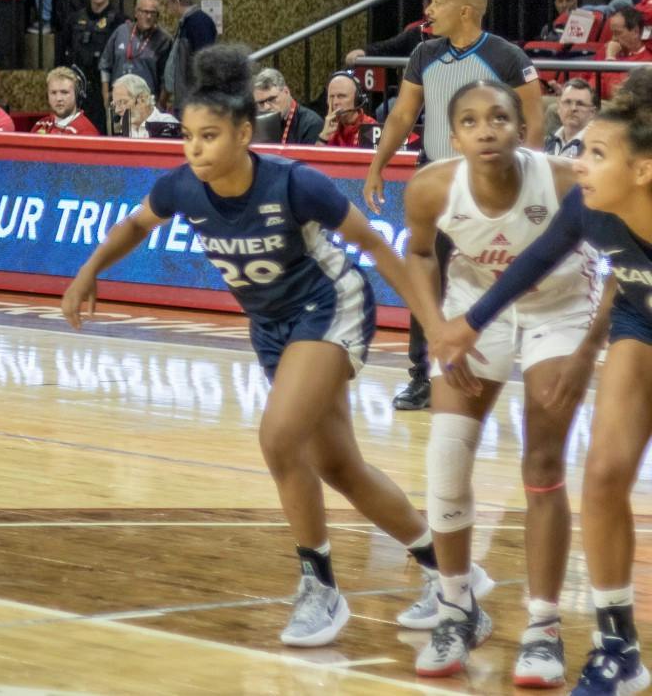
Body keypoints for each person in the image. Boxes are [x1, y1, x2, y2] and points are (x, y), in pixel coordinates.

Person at [62, 45, 445, 648]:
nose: (194, 149)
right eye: (187, 136)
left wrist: (434, 327)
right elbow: (135, 224)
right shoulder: (183, 188)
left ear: (244, 133)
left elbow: (379, 249)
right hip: (270, 327)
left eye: (209, 136)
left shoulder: (296, 183)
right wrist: (89, 271)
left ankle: (320, 587)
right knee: (339, 467)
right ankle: (448, 571)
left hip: (331, 304)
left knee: (278, 437)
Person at [426, 72, 652, 694]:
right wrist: (468, 324)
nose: (577, 163)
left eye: (595, 154)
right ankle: (617, 648)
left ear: (643, 171)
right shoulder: (588, 205)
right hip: (641, 318)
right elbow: (536, 258)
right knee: (604, 475)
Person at [393, 80, 601, 681]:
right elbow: (421, 254)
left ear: (520, 127)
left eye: (499, 118)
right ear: (453, 135)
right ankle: (458, 606)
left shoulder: (562, 178)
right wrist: (435, 327)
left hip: (557, 308)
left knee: (541, 464)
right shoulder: (433, 186)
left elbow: (614, 256)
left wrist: (589, 349)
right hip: (472, 310)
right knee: (446, 456)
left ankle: (543, 625)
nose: (487, 130)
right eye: (472, 121)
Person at [363, 0, 544, 411]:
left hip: (490, 181)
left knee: (493, 281)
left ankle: (494, 370)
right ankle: (421, 377)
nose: (429, 10)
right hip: (437, 182)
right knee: (428, 281)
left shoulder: (506, 56)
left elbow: (534, 122)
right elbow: (403, 114)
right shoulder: (424, 53)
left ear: (465, 10)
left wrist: (525, 177)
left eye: (438, 2)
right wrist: (376, 166)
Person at [60, 0, 124, 128]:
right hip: (77, 90)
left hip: (106, 91)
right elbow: (61, 54)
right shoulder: (74, 19)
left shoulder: (120, 21)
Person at [100, 0, 172, 98]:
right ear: (136, 13)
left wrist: (161, 104)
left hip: (146, 101)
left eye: (153, 13)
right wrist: (105, 94)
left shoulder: (163, 39)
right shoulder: (122, 31)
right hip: (119, 99)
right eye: (145, 12)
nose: (149, 16)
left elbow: (167, 77)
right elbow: (105, 64)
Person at [162, 0, 217, 104]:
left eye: (168, 3)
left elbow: (205, 63)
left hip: (194, 101)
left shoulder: (198, 22)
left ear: (176, 1)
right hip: (187, 98)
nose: (167, 7)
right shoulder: (189, 22)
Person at [253, 68, 324, 144]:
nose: (266, 107)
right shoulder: (256, 125)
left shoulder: (311, 124)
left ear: (286, 92)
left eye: (271, 99)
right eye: (261, 103)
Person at [602, 5, 652, 99]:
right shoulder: (610, 50)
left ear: (635, 32)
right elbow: (592, 87)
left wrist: (610, 59)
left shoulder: (646, 62)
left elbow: (618, 95)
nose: (613, 38)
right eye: (612, 33)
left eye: (618, 33)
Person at [32, 67, 99, 136]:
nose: (58, 98)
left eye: (64, 92)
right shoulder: (40, 124)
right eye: (53, 93)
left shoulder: (86, 132)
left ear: (76, 95)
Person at [316, 73, 377, 148]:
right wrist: (323, 137)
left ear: (357, 99)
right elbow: (315, 159)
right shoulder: (328, 128)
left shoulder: (371, 129)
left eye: (341, 96)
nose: (335, 102)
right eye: (331, 97)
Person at [110, 75, 180, 139]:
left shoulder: (166, 124)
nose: (117, 110)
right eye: (115, 104)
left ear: (142, 99)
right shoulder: (126, 128)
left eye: (123, 102)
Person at [546, 78, 596, 158]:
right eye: (567, 102)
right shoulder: (547, 142)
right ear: (559, 108)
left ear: (592, 113)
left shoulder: (595, 147)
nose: (573, 108)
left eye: (580, 104)